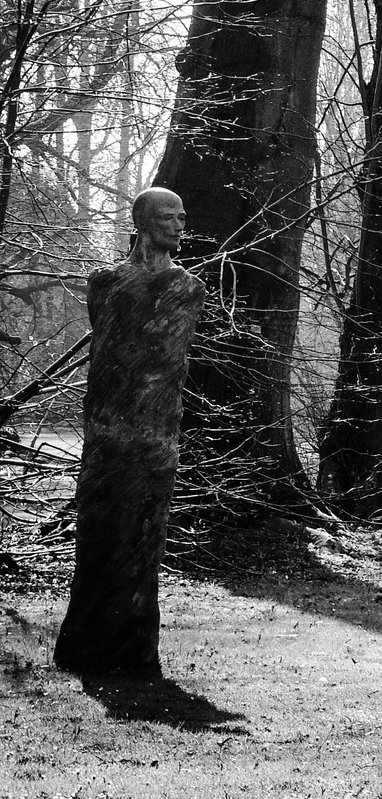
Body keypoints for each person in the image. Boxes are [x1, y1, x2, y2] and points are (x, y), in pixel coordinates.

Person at [54, 187, 205, 676]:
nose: (179, 225)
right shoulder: (106, 283)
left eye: (183, 216)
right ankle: (88, 646)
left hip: (157, 438)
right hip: (107, 436)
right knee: (102, 540)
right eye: (168, 217)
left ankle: (133, 651)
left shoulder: (188, 288)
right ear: (142, 220)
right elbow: (110, 356)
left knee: (143, 544)